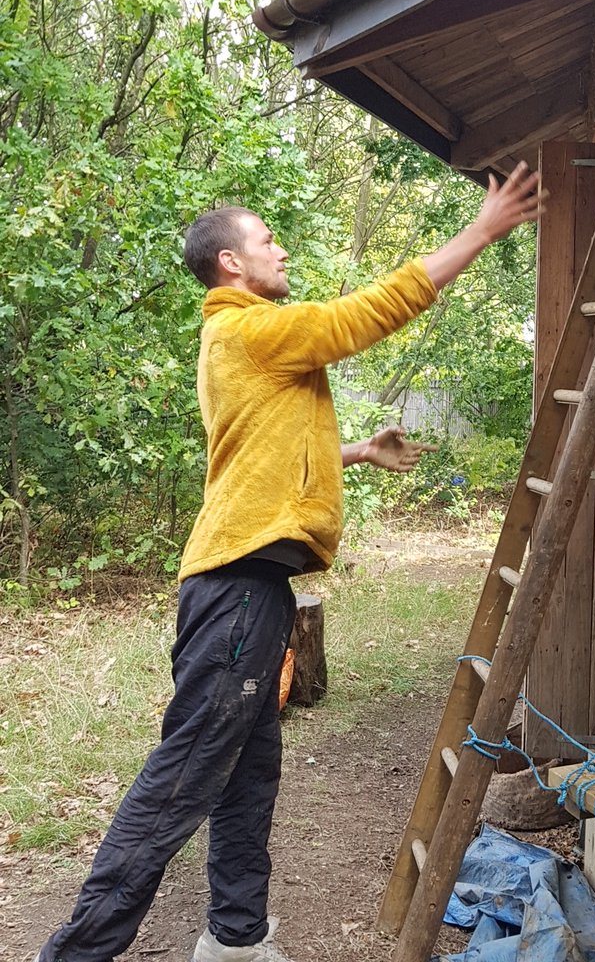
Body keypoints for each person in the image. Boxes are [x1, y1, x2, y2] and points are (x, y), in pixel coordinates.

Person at [37, 163, 545, 962]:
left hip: (250, 588)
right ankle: (74, 953)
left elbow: (261, 457)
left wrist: (356, 452)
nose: (280, 251)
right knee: (185, 775)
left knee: (248, 779)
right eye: (267, 240)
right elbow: (365, 313)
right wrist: (482, 230)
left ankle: (236, 940)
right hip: (236, 591)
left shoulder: (240, 344)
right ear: (231, 262)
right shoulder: (248, 328)